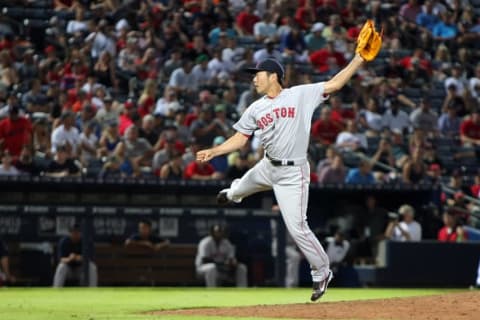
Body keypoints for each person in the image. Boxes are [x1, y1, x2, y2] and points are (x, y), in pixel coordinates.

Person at [196, 35, 375, 300]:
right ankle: (232, 193)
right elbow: (240, 138)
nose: (254, 78)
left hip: (293, 173)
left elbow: (335, 83)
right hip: (268, 166)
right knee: (240, 188)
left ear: (273, 76)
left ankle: (322, 271)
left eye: (258, 74)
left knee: (297, 227)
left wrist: (359, 58)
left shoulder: (301, 94)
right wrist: (215, 150)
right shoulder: (255, 108)